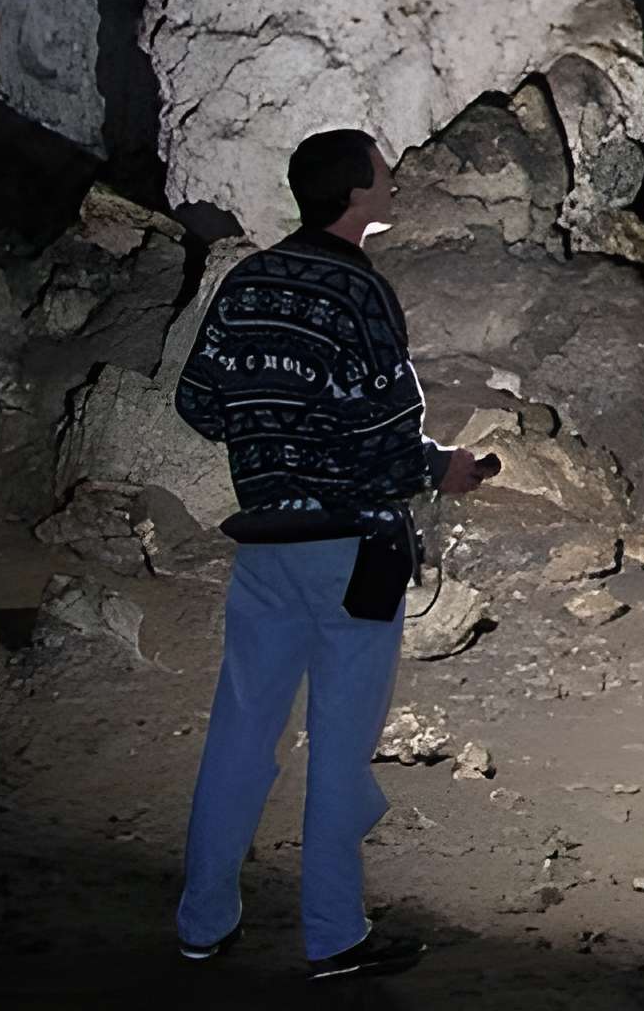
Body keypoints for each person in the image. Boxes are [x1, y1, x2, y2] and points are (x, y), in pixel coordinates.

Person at [170, 129, 493, 977]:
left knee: (241, 733)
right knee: (340, 747)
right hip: (352, 547)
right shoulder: (360, 293)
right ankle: (334, 934)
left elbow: (199, 402)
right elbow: (390, 446)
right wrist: (448, 472)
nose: (392, 184)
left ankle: (203, 923)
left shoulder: (250, 280)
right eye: (384, 175)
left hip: (266, 541)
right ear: (356, 196)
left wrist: (269, 434)